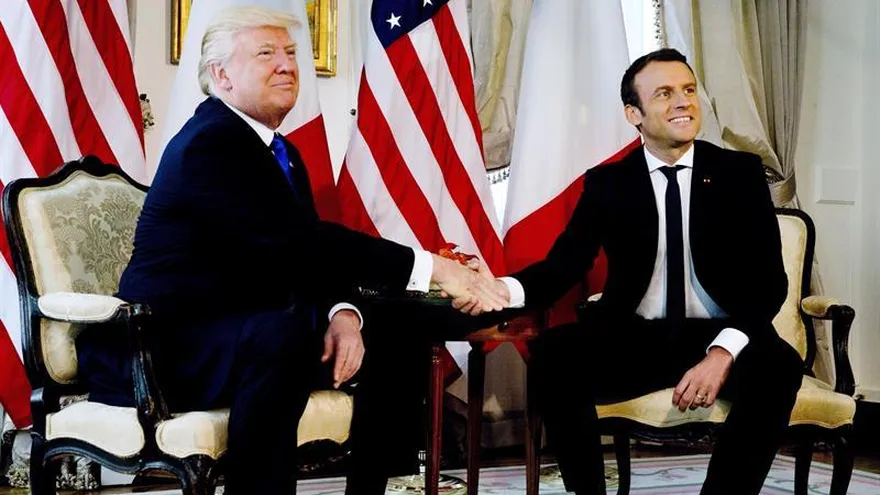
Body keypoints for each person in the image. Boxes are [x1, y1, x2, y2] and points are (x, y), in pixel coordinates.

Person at [75, 6, 506, 495]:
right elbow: (305, 242)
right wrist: (435, 269)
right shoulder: (210, 144)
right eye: (266, 54)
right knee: (283, 332)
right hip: (169, 343)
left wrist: (344, 314)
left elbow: (297, 259)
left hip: (242, 329)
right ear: (221, 74)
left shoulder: (281, 151)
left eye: (291, 53)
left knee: (397, 323)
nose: (286, 65)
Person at [480, 48, 805, 495]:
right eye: (665, 94)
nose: (683, 102)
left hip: (721, 332)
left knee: (780, 367)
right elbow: (562, 266)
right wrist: (499, 289)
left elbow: (770, 283)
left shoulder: (739, 174)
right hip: (635, 335)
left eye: (689, 90)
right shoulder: (608, 183)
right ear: (633, 113)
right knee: (554, 356)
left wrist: (722, 353)